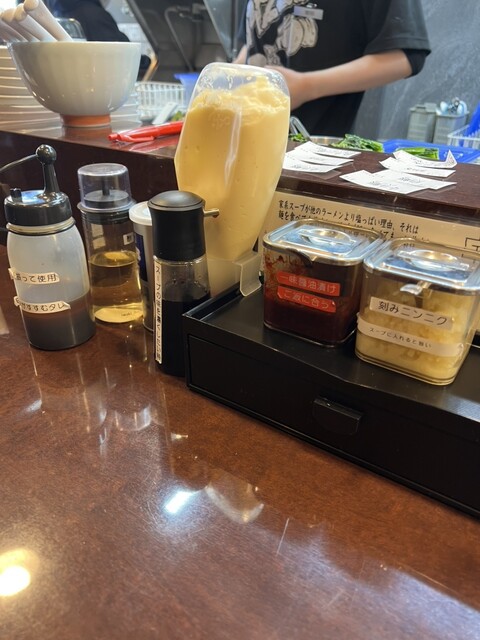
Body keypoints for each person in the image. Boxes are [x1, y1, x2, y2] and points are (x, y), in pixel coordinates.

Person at [234, 0, 431, 136]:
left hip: (312, 153)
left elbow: (403, 56)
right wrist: (227, 77)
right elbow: (253, 41)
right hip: (241, 137)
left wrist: (305, 87)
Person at [49, 0, 150, 76]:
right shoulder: (94, 15)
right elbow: (121, 57)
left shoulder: (59, 11)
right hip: (99, 83)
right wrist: (146, 62)